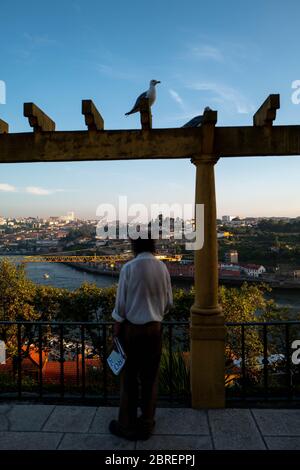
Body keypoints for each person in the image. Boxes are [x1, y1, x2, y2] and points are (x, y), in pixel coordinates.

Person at [109, 236, 173, 440]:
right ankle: (147, 423)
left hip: (132, 331)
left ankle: (126, 425)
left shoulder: (129, 268)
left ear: (134, 247)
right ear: (153, 247)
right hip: (155, 330)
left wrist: (116, 331)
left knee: (129, 379)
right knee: (150, 378)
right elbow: (169, 303)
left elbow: (120, 307)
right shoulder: (162, 267)